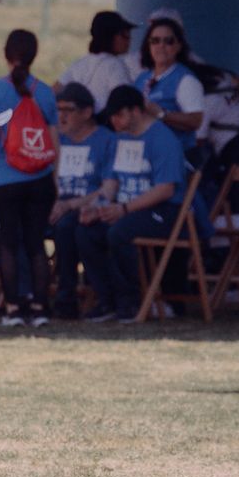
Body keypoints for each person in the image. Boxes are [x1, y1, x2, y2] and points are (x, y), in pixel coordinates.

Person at [75, 86, 187, 322]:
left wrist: (124, 209)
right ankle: (107, 300)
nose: (113, 120)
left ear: (136, 111)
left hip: (162, 211)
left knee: (119, 232)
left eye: (119, 114)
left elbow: (166, 189)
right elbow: (112, 183)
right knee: (86, 231)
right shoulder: (119, 139)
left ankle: (130, 301)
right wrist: (97, 206)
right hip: (124, 207)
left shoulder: (162, 139)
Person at [0, 29, 57, 328]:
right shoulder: (46, 92)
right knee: (37, 245)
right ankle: (39, 307)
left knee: (8, 245)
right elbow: (53, 141)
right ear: (34, 55)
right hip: (41, 178)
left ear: (6, 54)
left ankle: (12, 308)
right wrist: (56, 181)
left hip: (3, 179)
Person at [47, 83, 118, 321]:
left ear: (88, 113)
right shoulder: (58, 139)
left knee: (69, 228)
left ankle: (67, 299)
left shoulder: (106, 140)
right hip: (58, 204)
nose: (62, 116)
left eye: (69, 109)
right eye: (58, 109)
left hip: (89, 207)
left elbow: (109, 188)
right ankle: (29, 299)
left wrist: (71, 205)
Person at [132, 17, 205, 164]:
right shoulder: (142, 78)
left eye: (168, 41)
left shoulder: (185, 80)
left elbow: (195, 121)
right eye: (155, 41)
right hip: (144, 155)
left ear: (179, 46)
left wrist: (161, 114)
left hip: (176, 157)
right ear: (148, 45)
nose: (161, 46)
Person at [53, 10, 134, 113]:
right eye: (124, 35)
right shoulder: (115, 65)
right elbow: (125, 101)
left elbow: (53, 92)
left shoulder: (80, 63)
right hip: (104, 126)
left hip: (76, 125)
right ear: (110, 36)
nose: (129, 40)